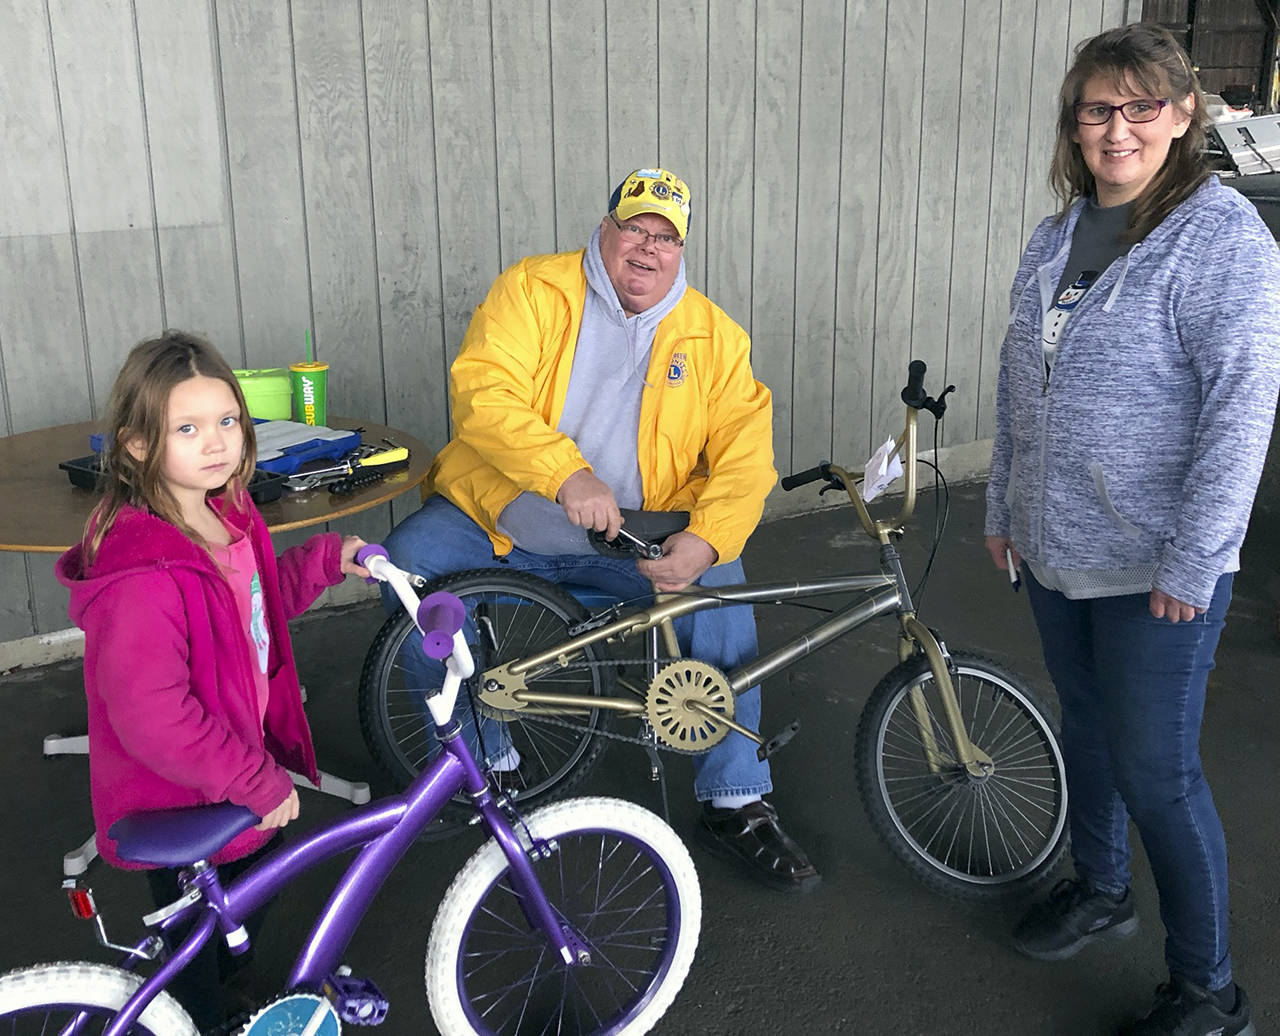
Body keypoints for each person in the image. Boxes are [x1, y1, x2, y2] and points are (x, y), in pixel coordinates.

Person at [383, 167, 819, 892]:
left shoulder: (716, 337)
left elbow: (747, 458)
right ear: (606, 229)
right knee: (406, 571)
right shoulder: (533, 290)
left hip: (631, 542)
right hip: (503, 522)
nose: (647, 248)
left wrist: (707, 538)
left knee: (718, 590)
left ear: (682, 252)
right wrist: (566, 474)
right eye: (634, 229)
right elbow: (484, 394)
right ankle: (482, 764)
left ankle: (736, 799)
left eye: (665, 238)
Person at [984, 24, 1279, 1036]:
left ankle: (1209, 993)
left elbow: (1241, 412)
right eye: (1097, 108)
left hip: (1158, 566)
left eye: (1140, 106)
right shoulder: (1055, 234)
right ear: (1073, 123)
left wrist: (1195, 558)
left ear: (1182, 114)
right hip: (1057, 551)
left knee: (1158, 773)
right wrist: (1002, 504)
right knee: (1087, 730)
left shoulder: (1221, 239)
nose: (1117, 129)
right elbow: (1018, 381)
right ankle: (1101, 887)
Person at [55, 331, 370, 1029]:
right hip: (182, 796)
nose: (216, 443)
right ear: (137, 444)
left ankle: (230, 988)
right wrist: (255, 779)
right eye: (188, 429)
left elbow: (251, 616)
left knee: (247, 892)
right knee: (193, 954)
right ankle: (195, 1014)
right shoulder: (142, 573)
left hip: (231, 768)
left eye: (227, 421)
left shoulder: (225, 513)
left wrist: (322, 562)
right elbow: (152, 716)